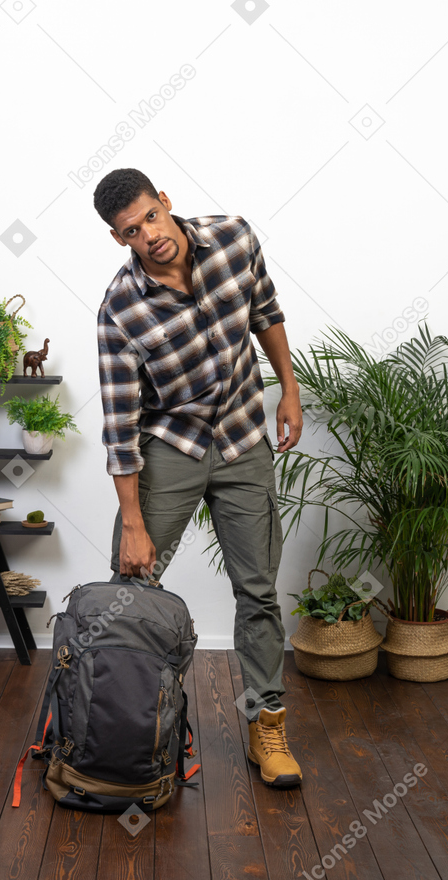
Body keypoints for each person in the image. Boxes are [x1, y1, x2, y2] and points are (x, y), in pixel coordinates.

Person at [94, 167, 304, 787]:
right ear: (119, 238)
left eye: (150, 217)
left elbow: (265, 310)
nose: (149, 235)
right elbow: (119, 424)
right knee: (128, 591)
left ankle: (267, 728)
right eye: (131, 231)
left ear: (165, 201)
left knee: (258, 592)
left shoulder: (235, 238)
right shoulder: (120, 310)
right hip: (171, 447)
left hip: (243, 438)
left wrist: (289, 391)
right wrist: (133, 524)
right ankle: (120, 733)